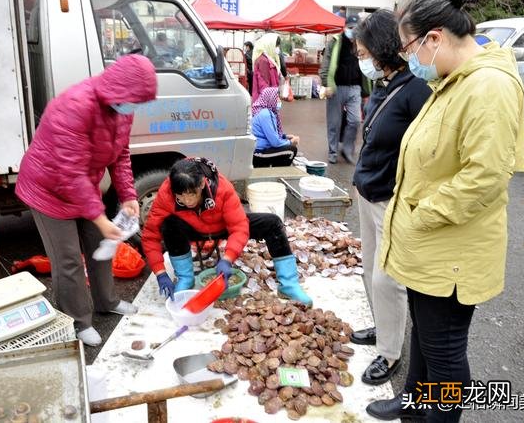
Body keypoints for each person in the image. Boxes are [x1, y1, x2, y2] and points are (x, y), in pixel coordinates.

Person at [366, 0, 524, 421]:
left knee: (444, 356)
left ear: (434, 38)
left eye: (408, 48)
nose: (408, 59)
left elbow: (486, 176)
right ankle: (412, 404)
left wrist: (422, 214)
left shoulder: (487, 86)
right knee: (424, 338)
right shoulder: (453, 79)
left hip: (452, 253)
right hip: (429, 249)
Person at [15, 55, 157, 347]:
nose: (135, 108)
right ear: (118, 90)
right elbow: (71, 173)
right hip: (49, 191)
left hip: (84, 189)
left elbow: (121, 155)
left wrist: (129, 195)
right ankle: (79, 321)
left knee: (101, 248)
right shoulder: (75, 106)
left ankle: (107, 301)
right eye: (135, 101)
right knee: (68, 261)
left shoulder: (122, 108)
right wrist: (100, 217)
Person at [350, 9, 432, 387]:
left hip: (391, 199)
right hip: (369, 192)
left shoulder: (417, 89)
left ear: (383, 48)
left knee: (388, 280)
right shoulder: (384, 83)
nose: (359, 58)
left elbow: (426, 151)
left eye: (363, 51)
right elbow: (372, 139)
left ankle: (390, 353)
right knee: (369, 269)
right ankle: (383, 330)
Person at [141, 157, 312, 306]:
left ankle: (288, 285)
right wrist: (160, 273)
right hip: (193, 230)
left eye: (191, 195)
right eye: (180, 197)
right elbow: (150, 236)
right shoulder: (166, 193)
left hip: (223, 228)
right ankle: (185, 278)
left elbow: (239, 227)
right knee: (168, 224)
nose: (186, 201)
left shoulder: (222, 188)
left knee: (273, 223)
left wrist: (228, 258)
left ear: (202, 184)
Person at [319, 15, 371, 164]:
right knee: (334, 122)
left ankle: (347, 150)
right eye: (350, 27)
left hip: (355, 87)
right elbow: (326, 63)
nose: (353, 31)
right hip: (336, 87)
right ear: (344, 27)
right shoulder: (335, 42)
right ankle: (333, 151)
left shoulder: (362, 42)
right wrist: (326, 83)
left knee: (355, 121)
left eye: (356, 28)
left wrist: (366, 89)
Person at [251, 87, 300, 167]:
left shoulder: (262, 111)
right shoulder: (266, 114)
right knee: (291, 150)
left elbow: (270, 133)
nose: (279, 101)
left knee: (286, 147)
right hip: (259, 153)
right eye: (277, 98)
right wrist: (291, 142)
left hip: (258, 150)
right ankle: (278, 173)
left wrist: (285, 136)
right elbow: (275, 142)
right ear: (270, 98)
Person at [252, 33, 283, 102]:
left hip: (268, 98)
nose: (277, 49)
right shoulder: (263, 60)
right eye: (276, 46)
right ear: (269, 45)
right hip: (265, 101)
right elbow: (264, 84)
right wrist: (273, 99)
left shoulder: (268, 59)